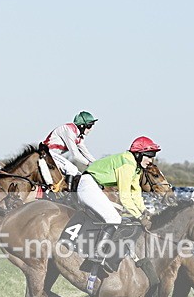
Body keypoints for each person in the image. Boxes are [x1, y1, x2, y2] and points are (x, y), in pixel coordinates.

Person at [77, 136, 157, 271]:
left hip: (96, 186)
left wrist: (144, 211)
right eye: (148, 156)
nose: (151, 160)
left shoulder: (136, 167)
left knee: (120, 218)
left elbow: (135, 193)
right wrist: (140, 217)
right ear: (138, 154)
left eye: (153, 156)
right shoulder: (127, 164)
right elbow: (125, 197)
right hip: (88, 185)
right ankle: (97, 254)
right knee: (114, 218)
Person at [41, 111, 97, 188]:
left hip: (52, 155)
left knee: (78, 174)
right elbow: (76, 155)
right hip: (46, 153)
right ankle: (69, 195)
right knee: (72, 169)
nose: (91, 129)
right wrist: (89, 164)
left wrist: (97, 163)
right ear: (82, 126)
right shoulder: (68, 130)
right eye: (89, 126)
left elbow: (86, 152)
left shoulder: (79, 136)